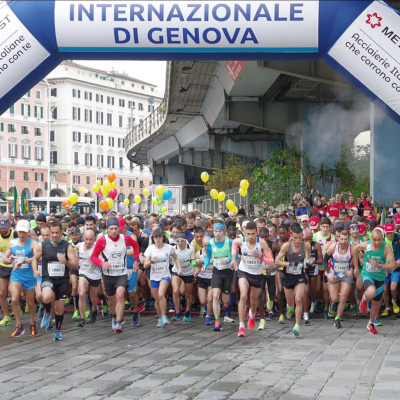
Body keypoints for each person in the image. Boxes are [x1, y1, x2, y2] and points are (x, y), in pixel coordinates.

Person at [90, 218, 139, 333]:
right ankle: (113, 315)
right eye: (111, 229)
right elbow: (93, 257)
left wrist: (136, 260)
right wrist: (102, 263)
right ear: (107, 230)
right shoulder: (102, 240)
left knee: (120, 295)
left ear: (119, 229)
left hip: (121, 273)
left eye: (116, 228)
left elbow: (136, 246)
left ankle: (118, 322)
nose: (113, 231)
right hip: (108, 275)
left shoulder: (125, 239)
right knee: (111, 300)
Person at [32, 220, 78, 340]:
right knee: (46, 297)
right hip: (48, 278)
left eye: (57, 232)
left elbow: (75, 264)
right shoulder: (43, 245)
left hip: (62, 280)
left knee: (59, 308)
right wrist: (35, 270)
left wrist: (65, 261)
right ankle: (47, 311)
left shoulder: (66, 246)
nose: (54, 235)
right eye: (52, 232)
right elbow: (34, 259)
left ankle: (57, 330)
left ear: (61, 232)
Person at [231, 221, 274, 338]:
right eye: (248, 234)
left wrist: (260, 257)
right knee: (243, 296)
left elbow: (271, 261)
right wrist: (234, 257)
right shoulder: (242, 241)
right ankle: (241, 326)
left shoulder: (262, 243)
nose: (250, 237)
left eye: (253, 234)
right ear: (245, 233)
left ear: (257, 233)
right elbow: (234, 243)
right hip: (244, 271)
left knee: (254, 301)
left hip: (257, 274)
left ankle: (252, 314)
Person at [353, 227, 395, 334]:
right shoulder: (366, 245)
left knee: (376, 304)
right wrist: (356, 267)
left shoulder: (386, 247)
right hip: (367, 274)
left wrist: (379, 265)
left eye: (379, 240)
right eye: (374, 240)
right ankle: (364, 298)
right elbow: (354, 249)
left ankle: (371, 323)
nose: (376, 242)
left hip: (380, 278)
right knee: (371, 290)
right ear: (371, 238)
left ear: (382, 238)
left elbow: (392, 265)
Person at [3, 220, 40, 337]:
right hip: (16, 274)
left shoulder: (33, 243)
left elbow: (37, 258)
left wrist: (24, 260)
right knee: (14, 299)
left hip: (29, 276)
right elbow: (5, 257)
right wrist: (7, 260)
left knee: (30, 302)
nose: (22, 235)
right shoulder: (12, 243)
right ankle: (19, 325)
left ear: (28, 231)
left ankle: (32, 322)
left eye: (24, 232)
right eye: (19, 232)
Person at [276, 224, 310, 337]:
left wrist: (307, 262)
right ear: (291, 236)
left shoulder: (306, 245)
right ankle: (289, 309)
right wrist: (288, 264)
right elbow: (277, 261)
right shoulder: (286, 246)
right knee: (291, 303)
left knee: (299, 299)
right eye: (295, 238)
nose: (298, 240)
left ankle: (297, 325)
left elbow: (308, 257)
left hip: (299, 276)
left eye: (300, 238)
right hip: (288, 276)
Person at [143, 228, 182, 327]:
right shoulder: (150, 249)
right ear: (153, 238)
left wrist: (179, 268)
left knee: (161, 294)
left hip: (165, 275)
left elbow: (176, 258)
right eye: (156, 237)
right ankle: (160, 317)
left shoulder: (169, 247)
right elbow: (145, 265)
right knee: (156, 298)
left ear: (163, 238)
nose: (158, 239)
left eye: (160, 237)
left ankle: (164, 316)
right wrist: (151, 261)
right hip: (154, 276)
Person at [203, 222, 234, 331]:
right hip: (216, 271)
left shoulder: (230, 242)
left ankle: (226, 305)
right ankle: (217, 321)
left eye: (219, 231)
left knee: (225, 299)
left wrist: (227, 260)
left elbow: (236, 257)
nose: (217, 233)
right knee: (215, 296)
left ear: (224, 232)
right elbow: (208, 256)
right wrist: (204, 265)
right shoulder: (210, 242)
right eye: (215, 231)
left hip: (227, 272)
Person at [324, 230, 354, 329]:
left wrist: (352, 271)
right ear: (338, 238)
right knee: (334, 298)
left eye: (345, 239)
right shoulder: (333, 247)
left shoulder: (352, 248)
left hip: (346, 275)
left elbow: (358, 262)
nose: (343, 241)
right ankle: (333, 304)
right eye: (341, 239)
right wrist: (328, 273)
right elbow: (325, 260)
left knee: (343, 297)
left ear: (348, 239)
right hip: (334, 274)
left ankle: (337, 318)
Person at [76, 230, 102, 327]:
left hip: (95, 275)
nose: (88, 242)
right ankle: (82, 318)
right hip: (83, 272)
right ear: (83, 238)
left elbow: (101, 261)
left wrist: (94, 260)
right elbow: (75, 256)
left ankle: (94, 310)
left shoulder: (97, 247)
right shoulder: (79, 246)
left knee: (93, 298)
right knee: (81, 294)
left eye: (90, 239)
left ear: (94, 239)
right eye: (86, 239)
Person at [171, 232, 197, 322]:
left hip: (188, 272)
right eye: (178, 241)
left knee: (188, 294)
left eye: (182, 241)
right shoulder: (173, 248)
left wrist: (196, 264)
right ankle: (177, 311)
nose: (180, 243)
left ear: (185, 240)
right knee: (175, 291)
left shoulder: (190, 248)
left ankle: (188, 309)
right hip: (176, 271)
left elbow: (193, 260)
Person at [197, 236, 213, 325]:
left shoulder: (215, 253)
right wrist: (197, 270)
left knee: (210, 298)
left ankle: (208, 316)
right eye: (205, 245)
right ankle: (206, 308)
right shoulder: (198, 253)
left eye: (209, 245)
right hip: (202, 277)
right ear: (202, 245)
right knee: (203, 301)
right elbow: (197, 267)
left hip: (212, 277)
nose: (207, 247)